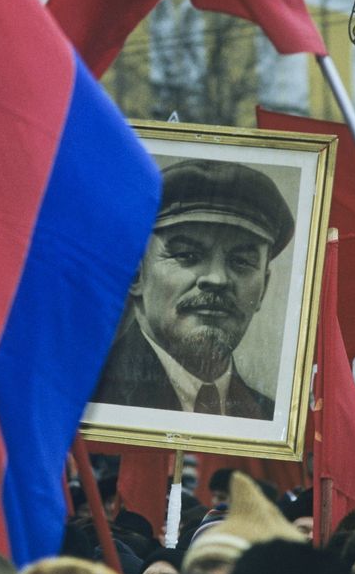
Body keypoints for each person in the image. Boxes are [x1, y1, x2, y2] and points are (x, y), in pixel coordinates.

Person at [92, 159, 295, 420]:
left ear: (264, 288)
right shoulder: (88, 401)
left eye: (241, 262)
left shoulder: (271, 420)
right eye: (187, 255)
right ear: (136, 272)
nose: (217, 279)